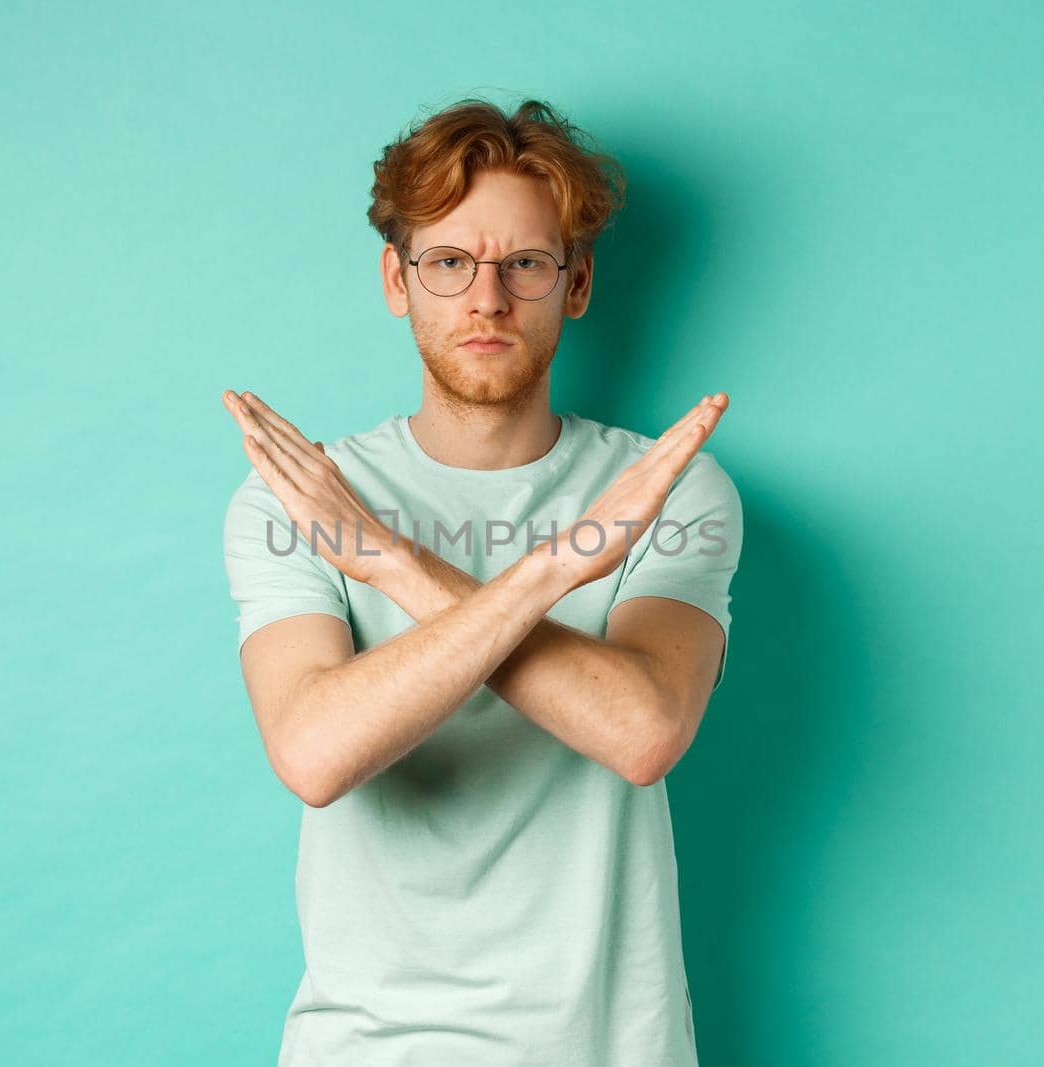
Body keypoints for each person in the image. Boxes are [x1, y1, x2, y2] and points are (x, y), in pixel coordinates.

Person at [220, 97, 742, 1067]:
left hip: (607, 1044)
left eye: (524, 264)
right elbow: (314, 753)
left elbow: (640, 733)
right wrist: (555, 567)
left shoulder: (667, 482)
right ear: (397, 278)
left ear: (575, 282)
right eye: (449, 261)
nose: (486, 298)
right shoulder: (300, 497)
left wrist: (387, 560)